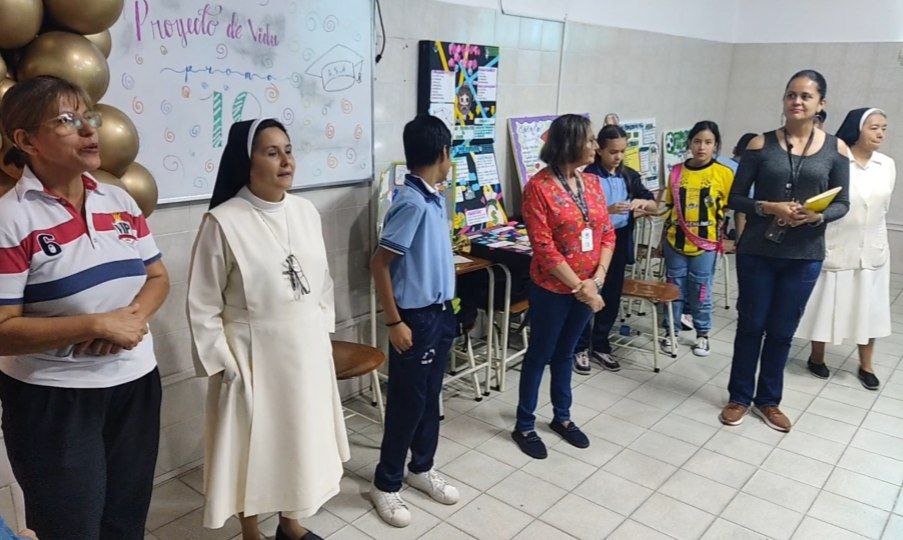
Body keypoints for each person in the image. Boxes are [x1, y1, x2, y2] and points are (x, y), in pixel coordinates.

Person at [0, 76, 170, 539]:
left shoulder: (117, 200)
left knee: (125, 520)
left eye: (89, 117)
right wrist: (94, 324)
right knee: (70, 527)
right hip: (54, 398)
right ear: (26, 141)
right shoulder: (11, 219)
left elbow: (157, 277)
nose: (90, 130)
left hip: (134, 384)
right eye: (67, 120)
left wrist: (129, 322)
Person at [187, 119, 348, 540]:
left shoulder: (305, 211)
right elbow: (202, 304)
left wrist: (320, 335)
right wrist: (225, 363)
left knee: (298, 441)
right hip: (251, 356)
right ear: (247, 161)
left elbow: (323, 280)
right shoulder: (223, 221)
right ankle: (252, 531)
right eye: (271, 151)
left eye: (288, 150)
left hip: (306, 351)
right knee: (252, 449)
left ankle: (291, 524)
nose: (285, 160)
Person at [723, 70, 850, 432]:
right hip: (758, 252)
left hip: (804, 255)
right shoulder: (760, 145)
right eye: (791, 95)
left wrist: (817, 216)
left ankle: (768, 401)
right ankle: (739, 397)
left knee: (782, 330)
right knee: (751, 325)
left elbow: (844, 203)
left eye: (806, 96)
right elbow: (736, 198)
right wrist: (769, 207)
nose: (797, 101)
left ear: (820, 104)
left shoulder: (836, 149)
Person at [369, 115, 460, 528]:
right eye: (450, 154)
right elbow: (380, 264)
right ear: (443, 154)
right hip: (414, 319)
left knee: (429, 397)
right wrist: (394, 322)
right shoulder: (409, 202)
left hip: (439, 315)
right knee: (408, 402)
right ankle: (386, 483)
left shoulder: (432, 198)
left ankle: (421, 467)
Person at [513, 114, 615, 459]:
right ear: (570, 143)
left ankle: (562, 417)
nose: (595, 147)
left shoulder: (592, 184)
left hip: (588, 284)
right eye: (589, 140)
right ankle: (524, 424)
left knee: (566, 352)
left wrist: (597, 279)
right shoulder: (538, 188)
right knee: (540, 354)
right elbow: (543, 248)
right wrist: (581, 287)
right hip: (553, 289)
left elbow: (607, 234)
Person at [796, 108, 894, 390]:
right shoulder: (837, 160)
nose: (880, 134)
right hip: (837, 243)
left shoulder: (886, 164)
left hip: (872, 247)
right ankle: (817, 358)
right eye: (874, 127)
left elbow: (883, 208)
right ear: (857, 129)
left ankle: (866, 365)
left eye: (884, 128)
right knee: (827, 304)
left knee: (870, 308)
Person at [572, 124, 657, 375]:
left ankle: (600, 343)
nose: (617, 157)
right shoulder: (587, 175)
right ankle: (579, 346)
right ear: (599, 150)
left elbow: (653, 204)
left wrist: (642, 203)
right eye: (612, 152)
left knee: (611, 293)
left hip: (619, 239)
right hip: (592, 242)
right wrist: (607, 211)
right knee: (587, 292)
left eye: (622, 151)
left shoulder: (629, 175)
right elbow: (578, 212)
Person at [660, 121, 734, 357]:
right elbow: (667, 206)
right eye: (697, 141)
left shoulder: (723, 173)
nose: (702, 147)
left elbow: (732, 208)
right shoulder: (676, 172)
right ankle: (670, 332)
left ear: (716, 145)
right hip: (675, 242)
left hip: (706, 244)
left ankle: (702, 334)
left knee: (701, 289)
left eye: (708, 142)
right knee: (674, 289)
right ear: (690, 143)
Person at [730, 132, 760, 237]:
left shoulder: (720, 162)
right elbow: (740, 212)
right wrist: (740, 241)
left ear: (734, 150)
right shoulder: (745, 175)